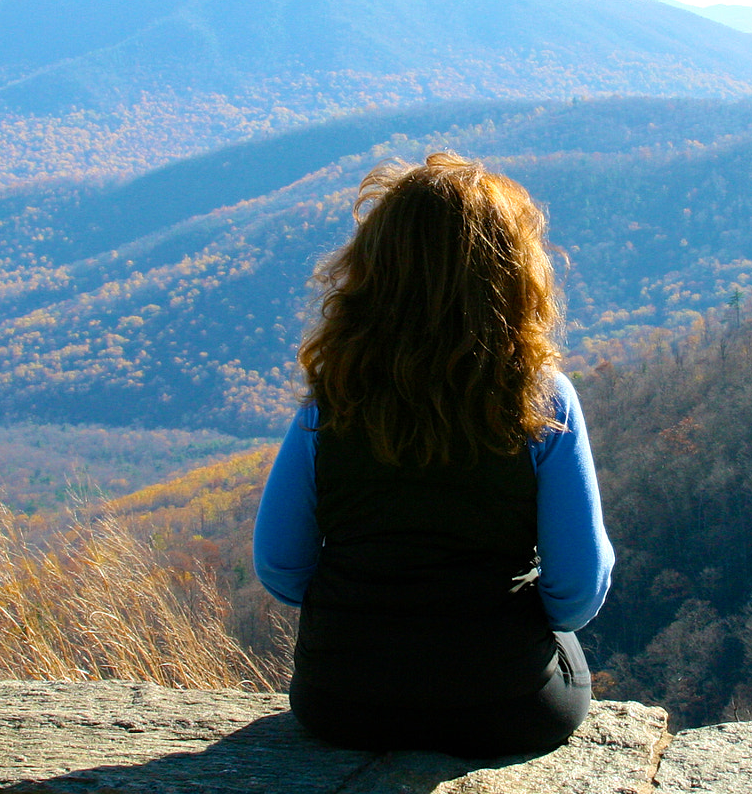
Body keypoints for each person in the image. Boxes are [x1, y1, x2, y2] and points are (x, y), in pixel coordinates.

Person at [251, 151, 613, 757]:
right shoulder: (543, 401)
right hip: (505, 708)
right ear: (514, 275)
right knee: (564, 648)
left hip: (342, 703)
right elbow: (576, 592)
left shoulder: (332, 400)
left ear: (373, 270)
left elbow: (280, 567)